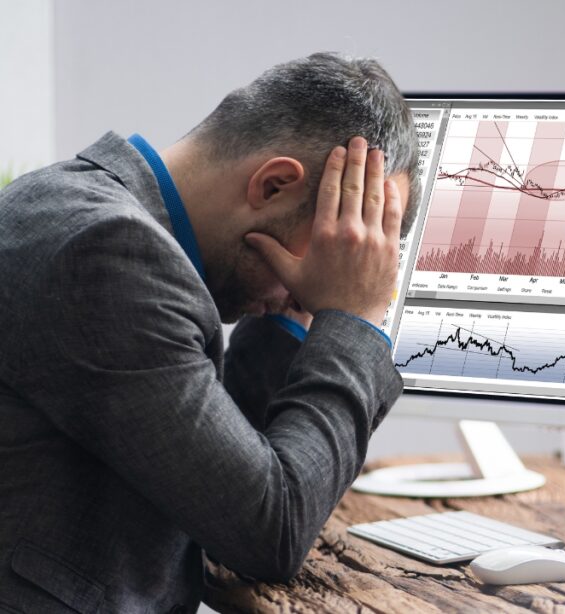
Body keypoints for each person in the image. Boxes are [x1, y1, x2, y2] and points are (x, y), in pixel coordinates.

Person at [0, 53, 420, 612]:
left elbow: (219, 470)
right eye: (332, 244)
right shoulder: (109, 253)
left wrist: (298, 309)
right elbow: (269, 531)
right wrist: (354, 315)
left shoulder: (84, 208)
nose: (310, 284)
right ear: (273, 185)